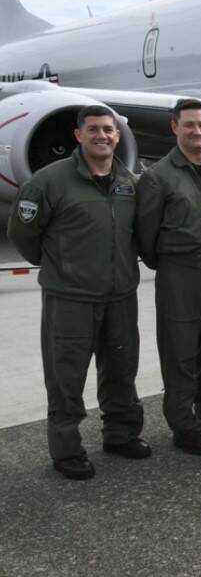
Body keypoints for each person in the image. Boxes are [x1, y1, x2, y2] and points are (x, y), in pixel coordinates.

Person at [8, 104, 147, 479]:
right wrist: (59, 266)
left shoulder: (129, 183)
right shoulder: (48, 181)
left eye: (109, 130)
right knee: (66, 377)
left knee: (121, 370)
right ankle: (67, 451)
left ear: (118, 136)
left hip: (120, 295)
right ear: (78, 135)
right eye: (94, 129)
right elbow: (24, 234)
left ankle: (120, 435)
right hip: (70, 297)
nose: (103, 135)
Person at [136, 99, 201, 456]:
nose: (198, 131)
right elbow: (146, 235)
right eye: (190, 125)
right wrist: (169, 261)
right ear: (175, 128)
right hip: (178, 272)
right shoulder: (157, 177)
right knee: (180, 350)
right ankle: (184, 424)